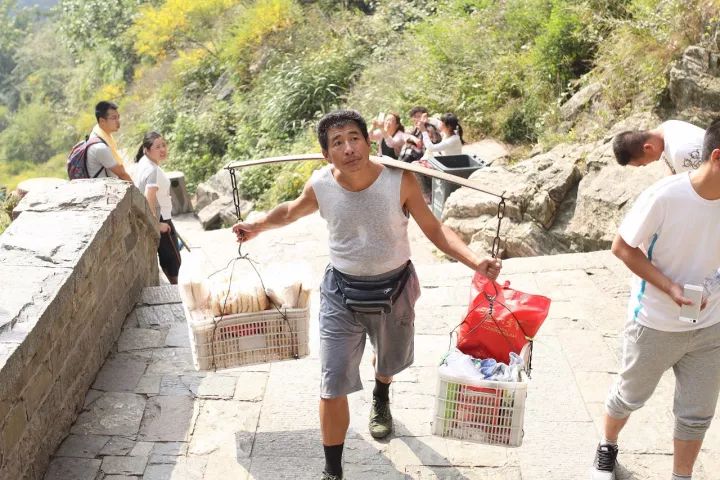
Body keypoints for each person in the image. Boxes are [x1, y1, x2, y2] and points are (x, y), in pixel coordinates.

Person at [232, 110, 502, 480]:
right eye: (337, 142)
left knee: (388, 363)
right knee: (331, 384)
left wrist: (475, 261)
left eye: (354, 138)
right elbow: (291, 211)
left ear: (368, 141)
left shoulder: (400, 179)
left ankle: (381, 394)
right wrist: (257, 226)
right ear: (326, 154)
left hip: (396, 291)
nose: (348, 148)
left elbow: (435, 229)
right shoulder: (321, 184)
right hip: (341, 293)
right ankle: (333, 472)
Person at [590, 119, 720, 480]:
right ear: (717, 157)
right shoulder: (665, 196)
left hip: (711, 327)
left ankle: (682, 476)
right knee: (629, 395)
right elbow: (622, 247)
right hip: (655, 322)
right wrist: (670, 287)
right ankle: (606, 448)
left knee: (697, 413)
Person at [133, 131, 181, 284]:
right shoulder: (152, 170)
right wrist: (157, 224)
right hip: (161, 219)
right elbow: (149, 197)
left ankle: (177, 293)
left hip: (160, 218)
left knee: (168, 261)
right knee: (174, 263)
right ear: (146, 150)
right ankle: (179, 295)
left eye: (164, 145)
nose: (162, 150)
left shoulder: (143, 163)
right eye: (157, 147)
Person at [613, 120, 705, 174]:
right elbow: (673, 170)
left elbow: (707, 187)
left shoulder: (680, 153)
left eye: (642, 164)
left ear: (648, 148)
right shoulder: (666, 127)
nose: (646, 165)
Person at [86, 101, 132, 181]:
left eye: (118, 117)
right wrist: (137, 192)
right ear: (102, 121)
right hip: (102, 191)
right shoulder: (100, 147)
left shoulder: (99, 134)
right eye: (114, 118)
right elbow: (122, 174)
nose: (118, 121)